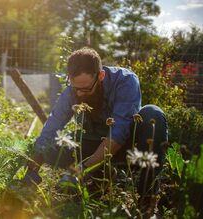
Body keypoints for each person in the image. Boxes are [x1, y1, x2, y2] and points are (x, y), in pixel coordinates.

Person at [22, 47, 168, 214]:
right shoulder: (73, 91)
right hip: (92, 145)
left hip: (128, 149)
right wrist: (31, 170)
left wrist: (82, 170)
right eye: (76, 88)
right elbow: (51, 128)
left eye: (86, 89)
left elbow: (119, 133)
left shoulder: (125, 81)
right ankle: (102, 178)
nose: (80, 94)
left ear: (101, 76)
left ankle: (147, 203)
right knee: (52, 147)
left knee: (153, 114)